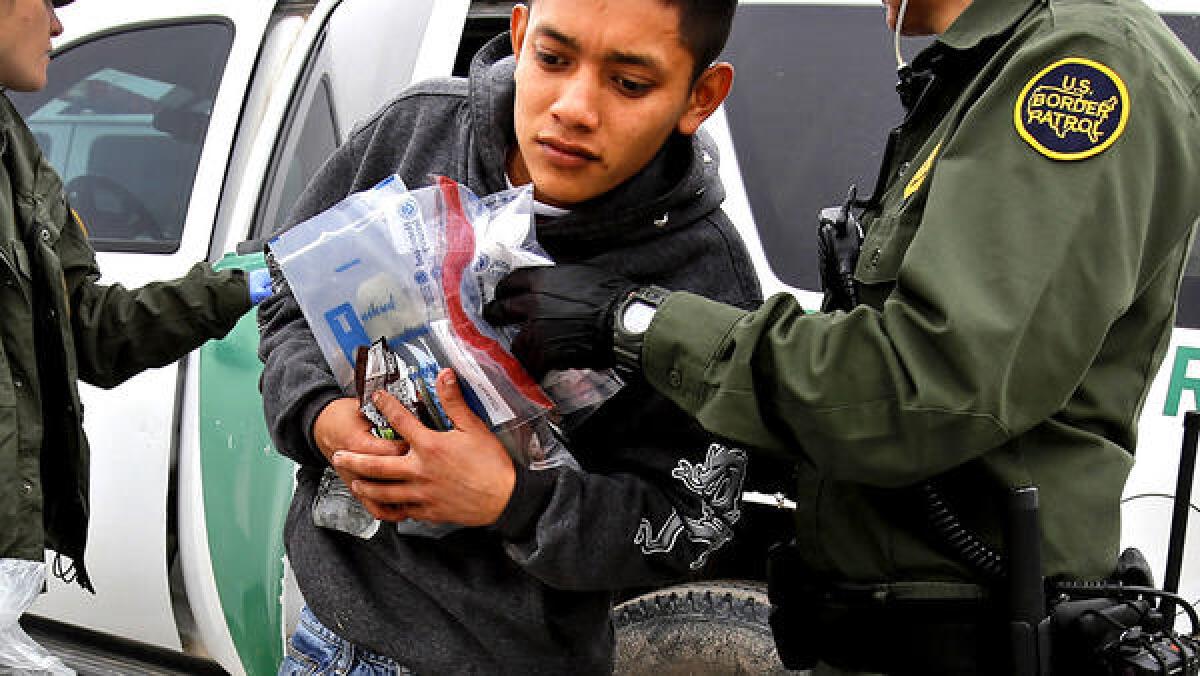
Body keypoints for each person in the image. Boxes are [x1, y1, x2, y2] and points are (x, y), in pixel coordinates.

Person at [484, 0, 1200, 672]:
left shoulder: (1082, 68)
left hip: (965, 640)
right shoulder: (982, 69)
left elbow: (929, 387)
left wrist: (636, 321)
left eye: (631, 81)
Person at [256, 0, 767, 673]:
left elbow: (691, 522)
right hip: (328, 636)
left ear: (700, 96)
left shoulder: (705, 280)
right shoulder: (414, 134)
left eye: (629, 84)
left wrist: (513, 499)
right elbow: (285, 300)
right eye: (554, 59)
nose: (575, 107)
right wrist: (324, 419)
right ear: (520, 35)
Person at [0, 0, 266, 592]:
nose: (57, 25)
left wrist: (245, 283)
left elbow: (90, 333)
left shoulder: (18, 156)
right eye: (46, 1)